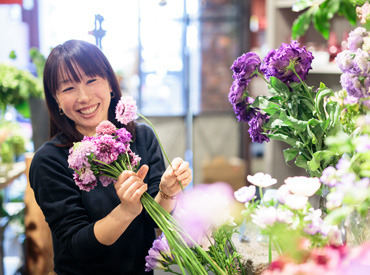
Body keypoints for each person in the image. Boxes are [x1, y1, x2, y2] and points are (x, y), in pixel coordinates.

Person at [29, 39, 192, 275]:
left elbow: (156, 221)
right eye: (68, 88)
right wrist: (125, 211)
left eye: (91, 80)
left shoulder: (141, 137)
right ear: (56, 100)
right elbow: (78, 246)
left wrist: (168, 191)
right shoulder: (49, 160)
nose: (83, 97)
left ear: (110, 84)